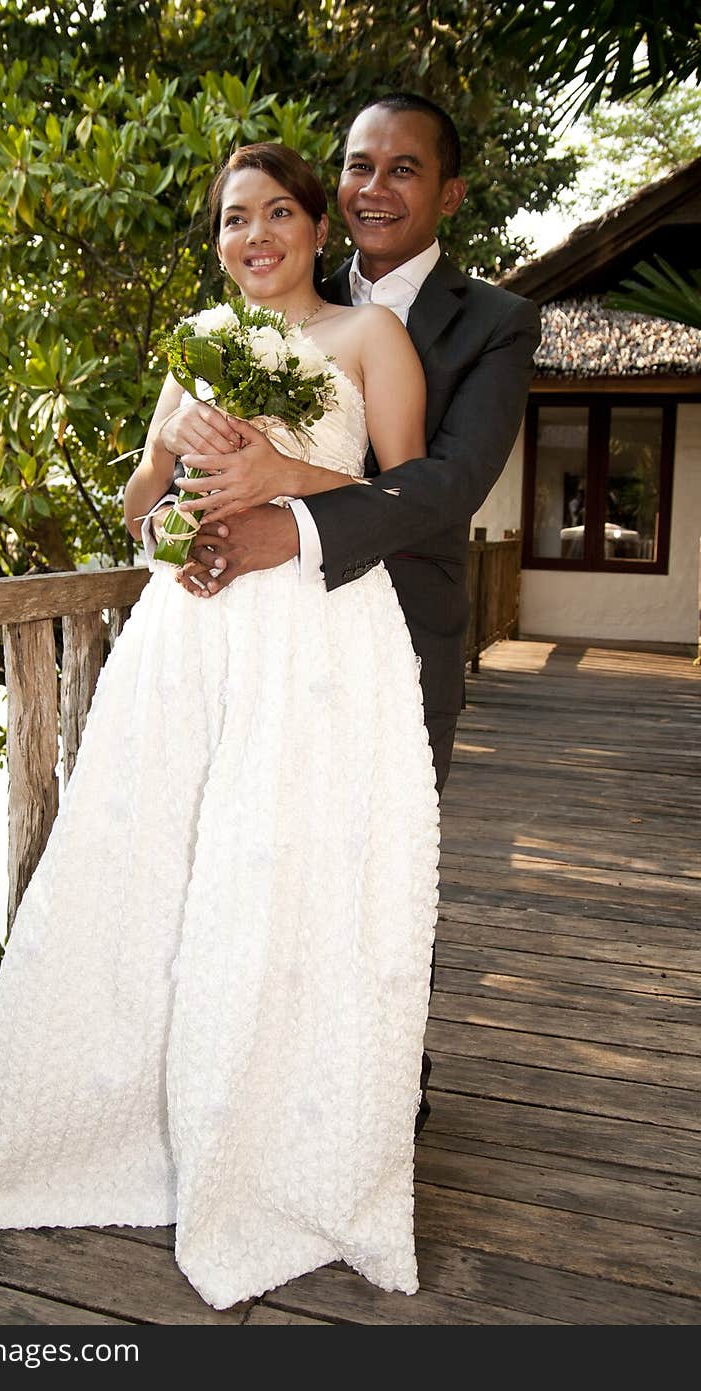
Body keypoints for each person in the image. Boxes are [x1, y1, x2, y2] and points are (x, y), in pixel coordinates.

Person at [0, 143, 440, 1312]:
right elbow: (139, 502)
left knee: (284, 878)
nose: (251, 237)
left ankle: (275, 1155)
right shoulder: (193, 348)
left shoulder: (369, 341)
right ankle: (126, 1134)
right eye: (229, 220)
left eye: (274, 213)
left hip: (314, 635)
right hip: (191, 633)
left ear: (319, 227)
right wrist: (171, 483)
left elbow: (409, 501)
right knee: (149, 866)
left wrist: (278, 475)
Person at [148, 94, 542, 1135]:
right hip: (234, 631)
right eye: (358, 165)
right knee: (235, 852)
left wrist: (292, 519)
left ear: (447, 192)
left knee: (371, 866)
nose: (375, 186)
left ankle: (362, 1092)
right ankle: (229, 1072)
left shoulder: (496, 322)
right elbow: (154, 483)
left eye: (403, 168)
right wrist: (179, 534)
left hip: (393, 629)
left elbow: (448, 484)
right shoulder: (239, 322)